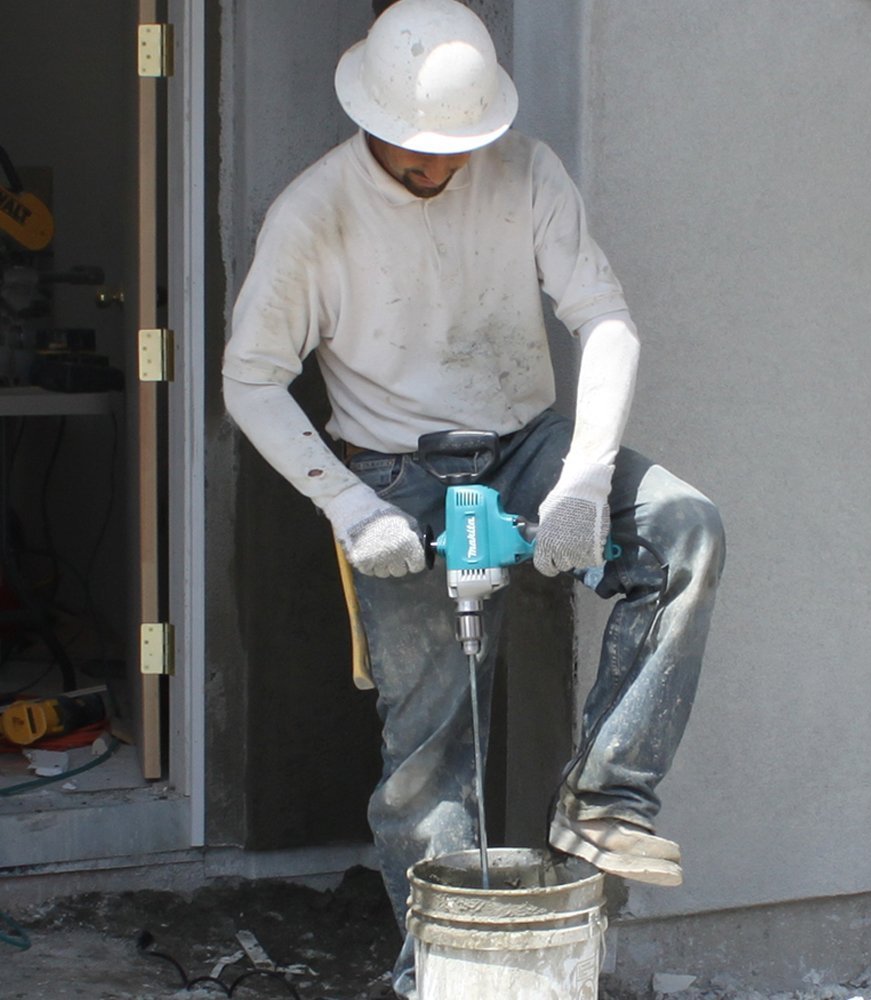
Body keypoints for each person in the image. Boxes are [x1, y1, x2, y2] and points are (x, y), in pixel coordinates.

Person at [223, 1, 725, 996]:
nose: (439, 165)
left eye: (456, 148)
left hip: (528, 446)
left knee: (683, 533)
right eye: (419, 148)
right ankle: (439, 974)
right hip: (393, 473)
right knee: (428, 749)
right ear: (372, 115)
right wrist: (346, 506)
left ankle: (606, 800)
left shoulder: (526, 171)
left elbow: (604, 318)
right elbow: (251, 379)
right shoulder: (314, 214)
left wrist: (584, 477)